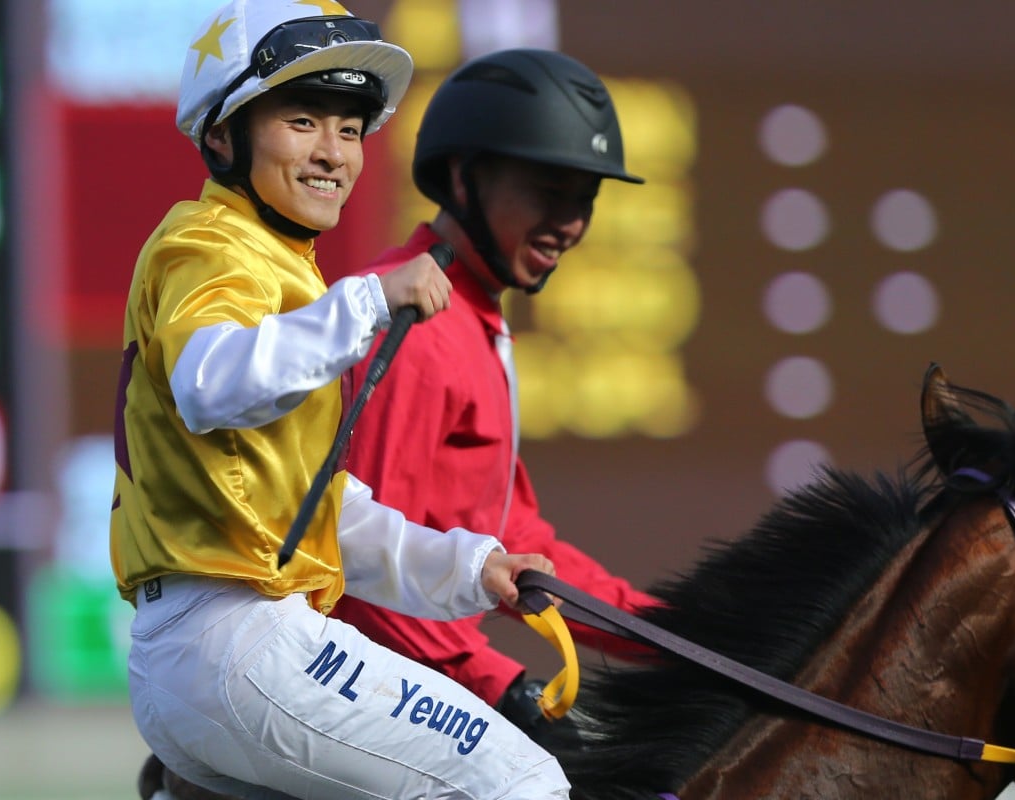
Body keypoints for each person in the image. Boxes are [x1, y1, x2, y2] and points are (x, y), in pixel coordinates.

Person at [112, 3, 569, 799]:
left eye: (351, 129)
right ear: (222, 135)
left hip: (208, 650)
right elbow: (208, 384)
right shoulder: (208, 243)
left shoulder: (278, 267)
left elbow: (322, 515)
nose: (333, 153)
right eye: (302, 121)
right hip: (238, 637)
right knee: (524, 785)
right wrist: (366, 302)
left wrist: (470, 569)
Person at [329, 48, 659, 746]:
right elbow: (354, 564)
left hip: (420, 683)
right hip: (364, 697)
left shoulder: (471, 319)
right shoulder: (416, 327)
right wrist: (501, 687)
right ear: (463, 176)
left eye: (585, 200)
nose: (570, 223)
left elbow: (521, 550)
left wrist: (670, 635)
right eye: (550, 191)